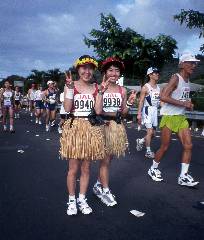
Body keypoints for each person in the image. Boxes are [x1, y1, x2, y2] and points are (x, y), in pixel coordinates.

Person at [60, 55, 107, 216]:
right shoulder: (70, 85)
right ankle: (72, 200)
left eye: (90, 68)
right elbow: (67, 108)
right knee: (73, 169)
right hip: (74, 129)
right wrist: (70, 89)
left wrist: (100, 93)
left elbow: (99, 111)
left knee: (86, 168)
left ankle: (82, 199)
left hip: (90, 129)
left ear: (93, 70)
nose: (87, 71)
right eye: (83, 68)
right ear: (78, 69)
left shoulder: (96, 87)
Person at [148, 53, 200, 187]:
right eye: (190, 62)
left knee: (188, 146)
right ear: (182, 64)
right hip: (169, 117)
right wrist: (183, 104)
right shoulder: (175, 78)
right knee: (165, 146)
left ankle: (183, 176)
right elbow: (163, 97)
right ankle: (153, 168)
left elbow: (182, 98)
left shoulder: (187, 81)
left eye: (194, 63)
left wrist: (188, 104)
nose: (193, 65)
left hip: (181, 117)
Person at [93, 56, 136, 207]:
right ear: (105, 72)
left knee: (109, 160)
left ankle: (98, 185)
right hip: (102, 126)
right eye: (110, 70)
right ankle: (105, 190)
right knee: (105, 161)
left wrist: (130, 102)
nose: (114, 73)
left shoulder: (122, 90)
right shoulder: (98, 88)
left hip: (116, 127)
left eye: (117, 70)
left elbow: (123, 113)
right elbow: (97, 111)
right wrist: (101, 93)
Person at [136, 67, 160, 158]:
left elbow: (159, 101)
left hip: (155, 111)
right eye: (155, 72)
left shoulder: (158, 87)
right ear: (150, 75)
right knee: (149, 131)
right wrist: (139, 114)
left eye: (158, 72)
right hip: (147, 111)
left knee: (153, 133)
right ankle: (148, 151)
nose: (157, 74)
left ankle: (141, 141)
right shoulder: (145, 87)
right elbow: (141, 101)